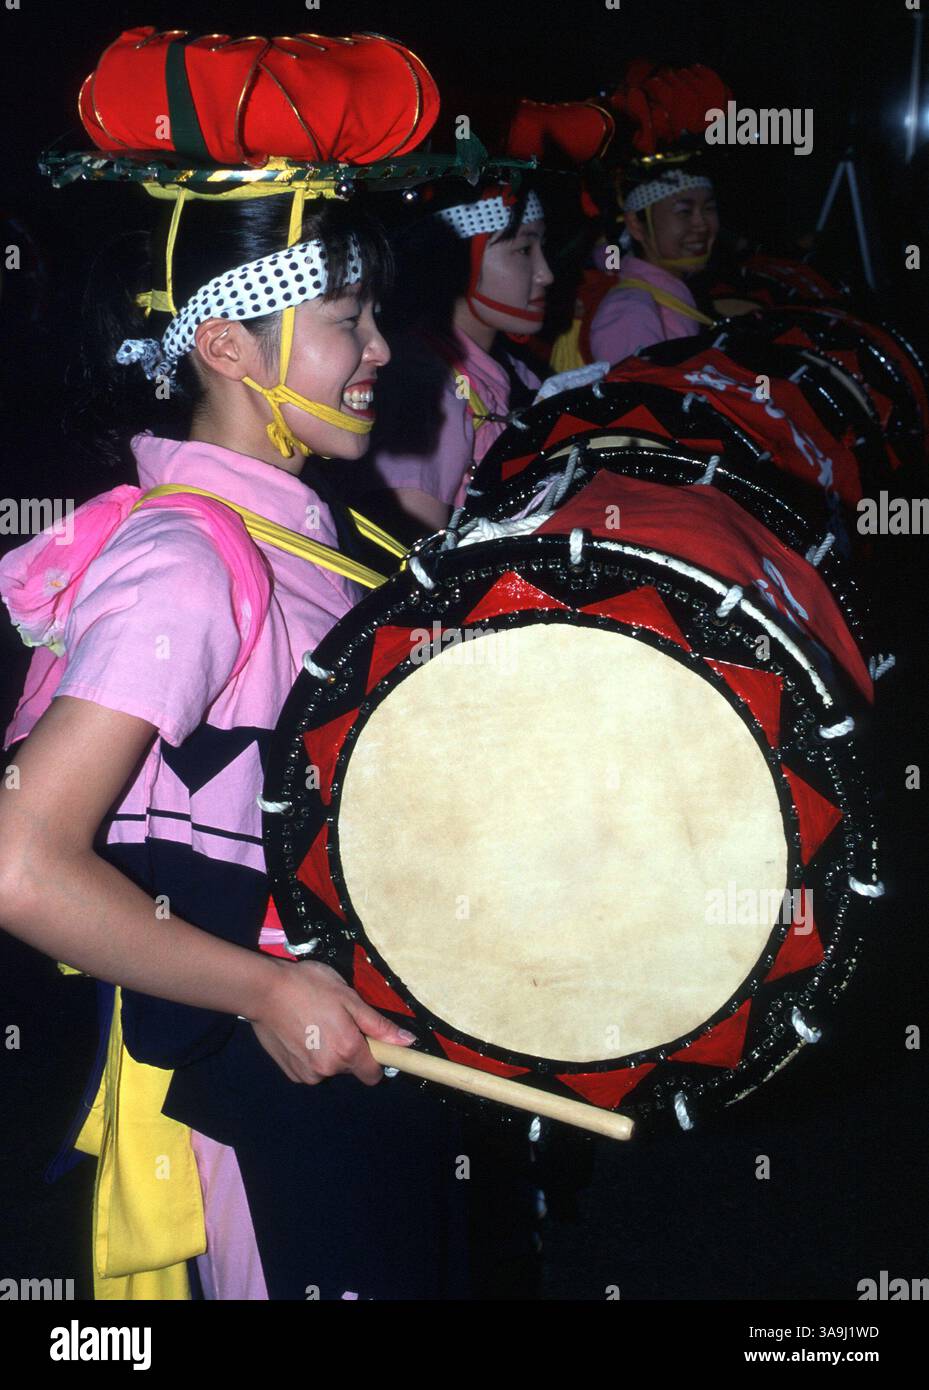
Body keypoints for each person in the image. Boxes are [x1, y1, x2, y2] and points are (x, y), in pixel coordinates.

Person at [0, 185, 536, 1301]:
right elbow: (20, 864)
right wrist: (261, 992)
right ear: (230, 346)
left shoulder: (302, 521)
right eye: (348, 317)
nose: (383, 348)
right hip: (269, 1072)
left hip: (348, 1037)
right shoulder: (186, 563)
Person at [346, 182, 555, 536]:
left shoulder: (517, 372)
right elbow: (414, 556)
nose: (545, 274)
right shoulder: (421, 390)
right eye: (523, 250)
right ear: (457, 260)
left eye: (541, 248)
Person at [586, 158, 719, 364]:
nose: (701, 224)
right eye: (684, 211)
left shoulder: (668, 294)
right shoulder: (630, 310)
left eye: (709, 208)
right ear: (637, 225)